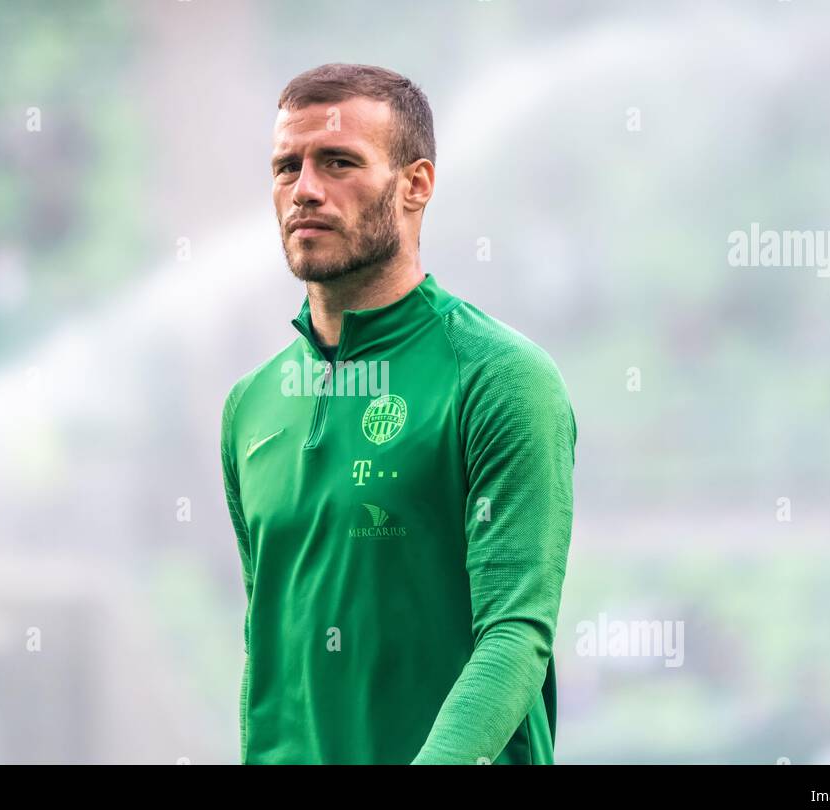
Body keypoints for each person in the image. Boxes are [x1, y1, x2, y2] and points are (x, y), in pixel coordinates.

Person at [220, 63, 576, 764]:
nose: (306, 190)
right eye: (286, 166)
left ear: (416, 184)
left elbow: (513, 636)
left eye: (339, 162)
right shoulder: (250, 405)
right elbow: (271, 644)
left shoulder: (500, 378)